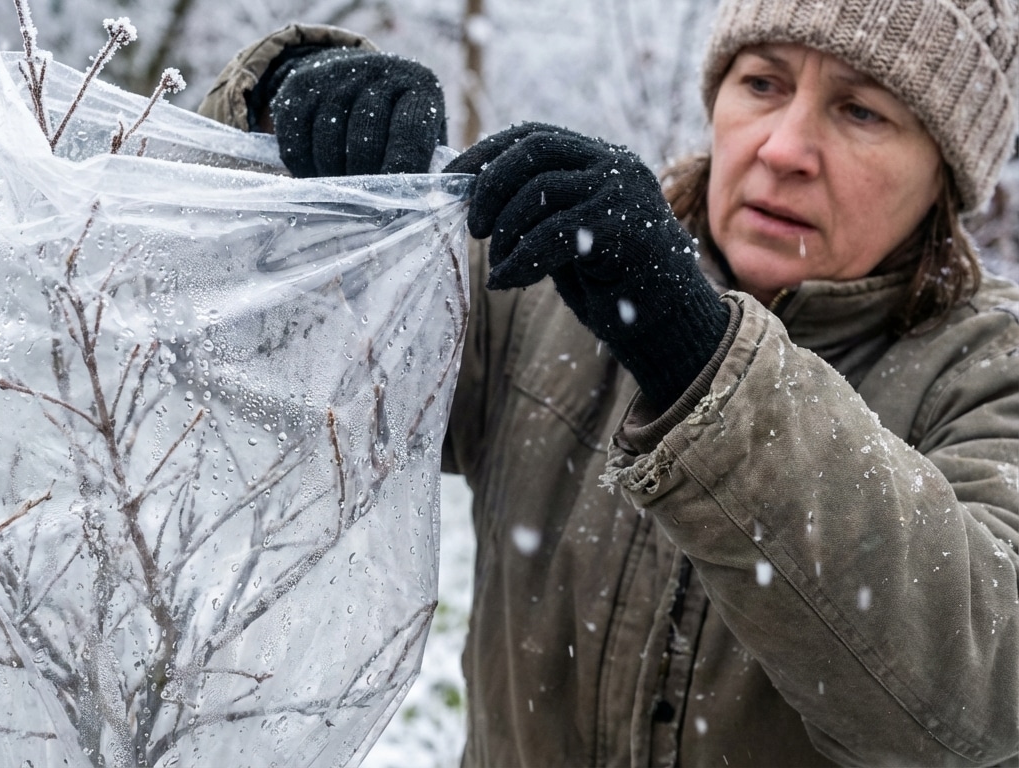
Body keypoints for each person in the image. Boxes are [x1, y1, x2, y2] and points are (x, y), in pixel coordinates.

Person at [199, 1, 1019, 765]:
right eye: (762, 83)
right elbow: (241, 358)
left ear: (943, 172)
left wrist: (692, 353)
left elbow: (982, 702)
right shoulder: (563, 270)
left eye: (861, 111)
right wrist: (284, 129)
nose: (782, 148)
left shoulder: (990, 367)